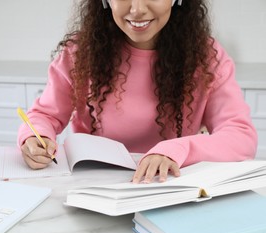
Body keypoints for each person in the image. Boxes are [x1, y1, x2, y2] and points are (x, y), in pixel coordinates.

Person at [18, 0, 257, 183]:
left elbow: (240, 137)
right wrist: (34, 137)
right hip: (92, 187)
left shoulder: (206, 57)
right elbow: (44, 116)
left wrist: (179, 149)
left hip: (171, 185)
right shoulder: (78, 54)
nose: (137, 9)